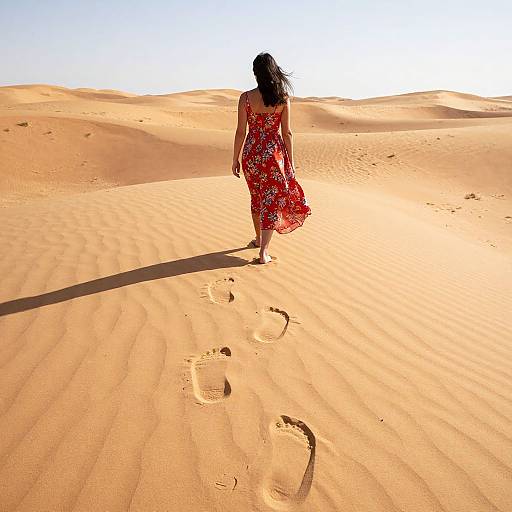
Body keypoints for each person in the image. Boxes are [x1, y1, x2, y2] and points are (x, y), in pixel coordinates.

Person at [232, 52, 311, 264]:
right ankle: (263, 251)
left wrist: (235, 158)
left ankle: (258, 239)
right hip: (273, 155)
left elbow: (241, 131)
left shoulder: (245, 98)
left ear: (255, 73)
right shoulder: (282, 98)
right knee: (270, 201)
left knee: (256, 197)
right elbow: (287, 133)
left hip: (251, 154)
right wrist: (291, 162)